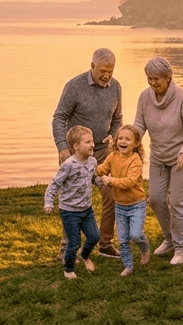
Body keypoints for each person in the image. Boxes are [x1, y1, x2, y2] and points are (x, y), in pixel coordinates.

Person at [51, 47, 123, 258]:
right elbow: (59, 117)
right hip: (77, 154)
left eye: (110, 71)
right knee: (74, 200)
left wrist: (114, 135)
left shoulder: (116, 87)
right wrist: (62, 147)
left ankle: (105, 243)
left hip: (103, 151)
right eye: (102, 71)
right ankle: (67, 249)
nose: (106, 76)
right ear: (92, 66)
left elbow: (118, 118)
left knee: (112, 195)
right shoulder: (74, 86)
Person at [132, 56, 183, 266]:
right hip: (159, 156)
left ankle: (181, 248)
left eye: (156, 79)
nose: (152, 83)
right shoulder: (145, 97)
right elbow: (139, 125)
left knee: (178, 202)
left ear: (168, 78)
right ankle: (169, 239)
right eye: (149, 79)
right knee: (156, 199)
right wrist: (126, 140)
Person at [45, 125, 100, 279]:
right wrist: (48, 202)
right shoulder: (68, 165)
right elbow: (54, 184)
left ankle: (84, 256)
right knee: (74, 243)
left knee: (95, 236)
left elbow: (92, 178)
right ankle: (68, 269)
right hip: (69, 211)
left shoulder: (92, 162)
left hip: (87, 209)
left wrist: (102, 181)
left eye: (92, 141)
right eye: (88, 142)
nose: (93, 145)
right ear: (76, 146)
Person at [96, 124, 150, 276]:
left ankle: (145, 249)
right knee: (123, 239)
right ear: (116, 141)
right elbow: (101, 169)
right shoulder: (112, 156)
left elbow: (129, 182)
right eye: (120, 138)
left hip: (136, 205)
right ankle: (128, 266)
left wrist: (110, 180)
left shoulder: (135, 159)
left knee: (136, 234)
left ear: (136, 143)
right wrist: (89, 164)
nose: (123, 141)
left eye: (128, 139)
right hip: (120, 206)